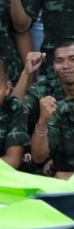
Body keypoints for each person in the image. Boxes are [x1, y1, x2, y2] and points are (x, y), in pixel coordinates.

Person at [29, 41, 74, 177]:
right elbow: (38, 158)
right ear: (53, 67)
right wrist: (42, 121)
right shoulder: (47, 88)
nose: (66, 66)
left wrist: (70, 176)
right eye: (59, 61)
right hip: (52, 178)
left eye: (72, 59)